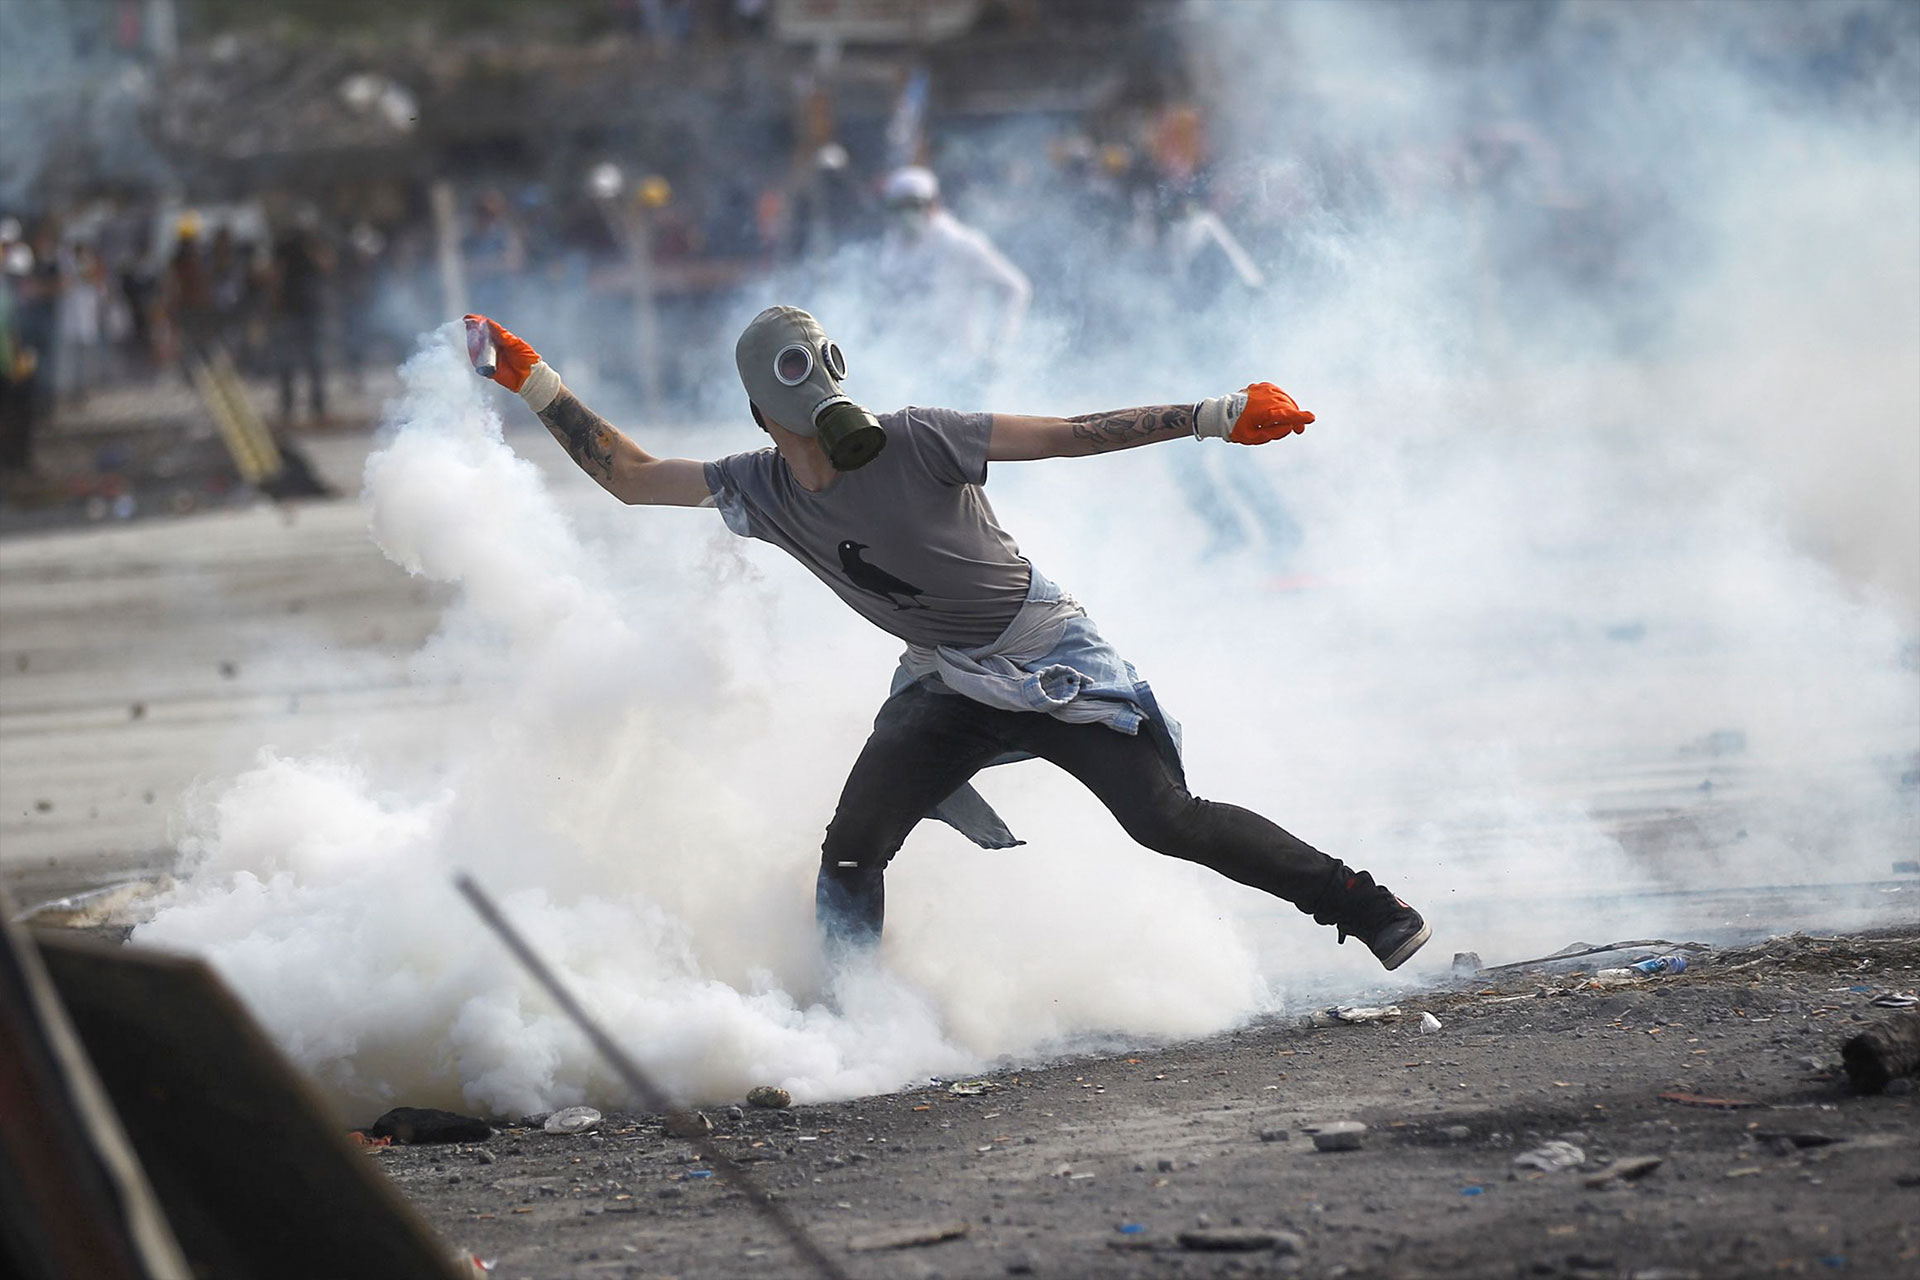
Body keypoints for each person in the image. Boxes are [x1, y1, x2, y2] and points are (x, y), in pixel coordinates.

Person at [461, 307, 1432, 972]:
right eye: (794, 387)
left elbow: (1066, 434)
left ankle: (1366, 905)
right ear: (762, 410)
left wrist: (1211, 416)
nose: (824, 403)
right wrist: (532, 377)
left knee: (1164, 819)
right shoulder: (755, 482)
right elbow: (631, 476)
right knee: (851, 850)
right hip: (945, 681)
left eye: (824, 370)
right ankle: (856, 1019)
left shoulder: (921, 435)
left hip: (1046, 655)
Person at [872, 165, 1031, 400]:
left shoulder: (959, 243)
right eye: (898, 208)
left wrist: (997, 347)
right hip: (911, 369)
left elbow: (1016, 288)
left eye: (913, 206)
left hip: (959, 367)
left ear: (933, 204)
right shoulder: (894, 245)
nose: (905, 215)